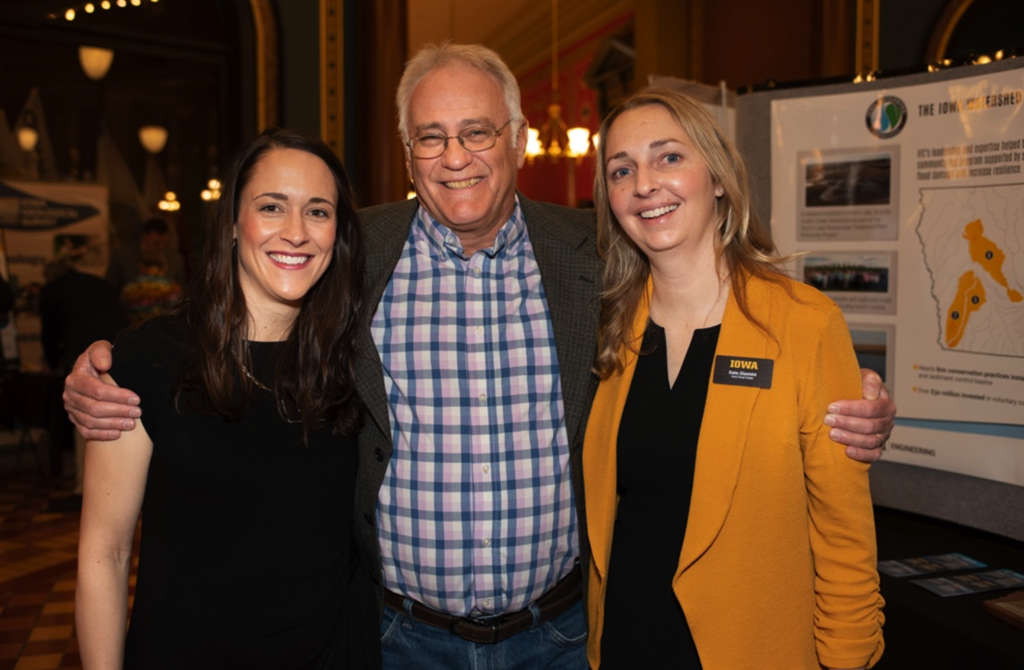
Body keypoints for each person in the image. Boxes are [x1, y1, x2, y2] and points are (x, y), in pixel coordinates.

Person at [64, 44, 894, 670]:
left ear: (521, 138)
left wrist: (846, 403)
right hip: (400, 636)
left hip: (564, 635)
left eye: (476, 131)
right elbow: (243, 316)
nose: (454, 155)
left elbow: (714, 320)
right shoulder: (355, 253)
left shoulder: (593, 252)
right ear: (406, 151)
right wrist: (108, 364)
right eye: (431, 136)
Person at [584, 88, 885, 670]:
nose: (645, 183)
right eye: (623, 170)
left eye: (669, 156)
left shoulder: (804, 324)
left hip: (751, 650)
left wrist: (849, 660)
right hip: (624, 643)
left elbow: (845, 537)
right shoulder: (609, 327)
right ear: (611, 199)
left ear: (717, 177)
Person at [74, 128, 379, 669]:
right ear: (234, 224)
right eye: (271, 207)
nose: (296, 233)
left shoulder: (357, 362)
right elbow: (105, 553)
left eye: (318, 212)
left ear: (339, 233)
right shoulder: (149, 359)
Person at [40, 257, 128, 497]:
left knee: (87, 419)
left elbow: (49, 333)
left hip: (87, 357)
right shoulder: (97, 283)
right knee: (116, 416)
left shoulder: (52, 289)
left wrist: (52, 363)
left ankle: (85, 487)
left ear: (50, 276)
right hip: (121, 350)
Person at [106, 216, 186, 292]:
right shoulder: (123, 257)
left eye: (164, 244)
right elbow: (110, 287)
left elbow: (181, 289)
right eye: (156, 243)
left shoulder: (175, 260)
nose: (161, 247)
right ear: (144, 237)